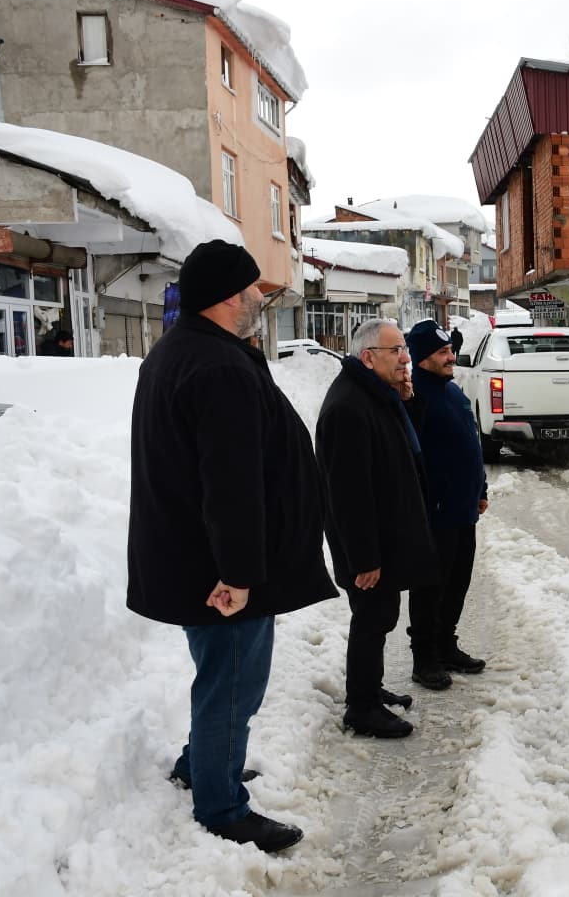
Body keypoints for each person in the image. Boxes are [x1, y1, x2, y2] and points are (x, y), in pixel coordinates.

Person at [126, 239, 337, 853]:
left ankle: (202, 764)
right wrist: (240, 571)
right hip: (219, 569)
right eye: (252, 292)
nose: (258, 301)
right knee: (235, 683)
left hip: (194, 557)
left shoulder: (181, 352)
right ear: (225, 297)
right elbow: (231, 481)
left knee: (223, 675)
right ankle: (220, 806)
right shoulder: (217, 367)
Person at [316, 318, 440, 739]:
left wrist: (407, 399)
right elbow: (347, 493)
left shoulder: (376, 394)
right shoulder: (348, 407)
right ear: (368, 358)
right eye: (396, 351)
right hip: (369, 547)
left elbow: (408, 447)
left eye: (405, 349)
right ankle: (362, 707)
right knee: (372, 617)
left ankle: (368, 688)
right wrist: (363, 558)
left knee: (380, 616)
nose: (406, 358)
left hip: (386, 537)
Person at [405, 320, 489, 675]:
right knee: (430, 588)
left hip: (463, 509)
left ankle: (445, 645)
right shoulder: (414, 399)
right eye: (442, 352)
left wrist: (480, 489)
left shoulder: (451, 390)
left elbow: (470, 442)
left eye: (449, 350)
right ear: (423, 358)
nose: (450, 356)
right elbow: (412, 458)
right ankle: (424, 657)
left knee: (457, 583)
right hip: (435, 513)